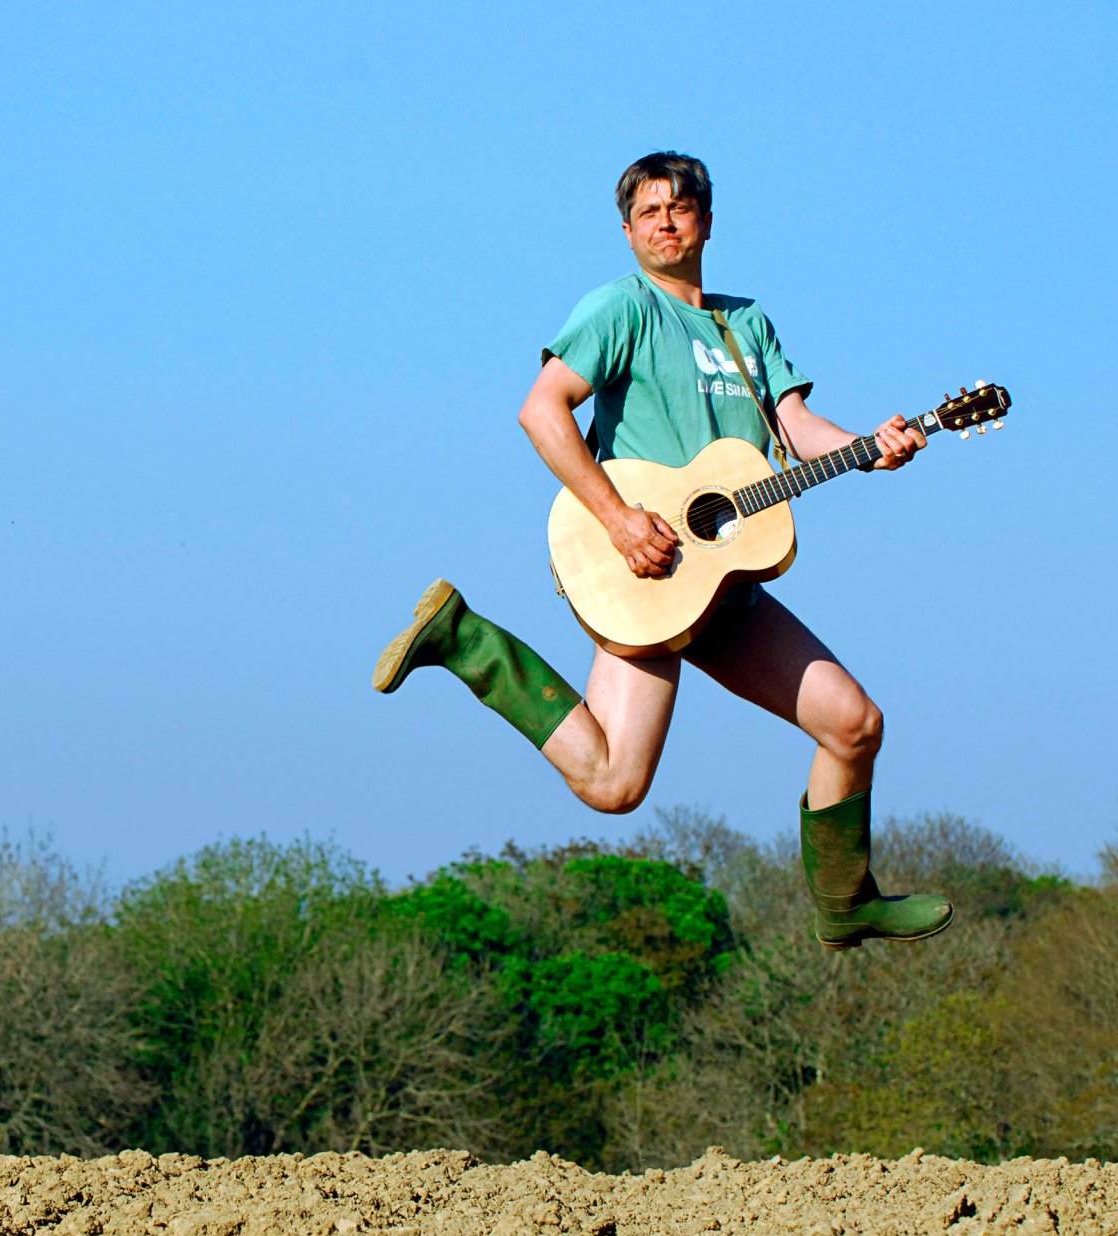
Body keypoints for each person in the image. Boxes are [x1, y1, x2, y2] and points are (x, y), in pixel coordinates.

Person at [373, 151, 951, 952]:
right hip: (646, 570)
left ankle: (846, 904)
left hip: (727, 586)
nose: (666, 222)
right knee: (615, 785)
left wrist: (869, 448)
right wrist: (617, 519)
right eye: (649, 211)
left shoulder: (746, 323)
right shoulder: (621, 308)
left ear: (707, 223)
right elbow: (542, 411)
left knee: (854, 725)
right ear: (627, 231)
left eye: (680, 208)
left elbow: (794, 428)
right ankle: (468, 642)